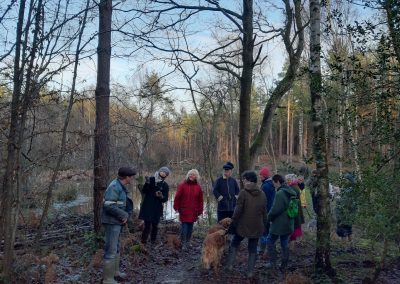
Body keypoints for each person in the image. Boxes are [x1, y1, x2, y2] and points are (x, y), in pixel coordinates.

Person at [227, 170, 268, 278]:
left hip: (243, 225)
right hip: (257, 225)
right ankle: (250, 272)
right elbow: (264, 211)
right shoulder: (262, 193)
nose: (243, 181)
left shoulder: (243, 192)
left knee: (234, 243)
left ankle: (229, 266)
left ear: (249, 180)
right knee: (253, 248)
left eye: (244, 179)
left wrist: (233, 222)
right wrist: (265, 224)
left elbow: (238, 210)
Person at [101, 166, 136, 284]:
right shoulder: (114, 186)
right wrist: (124, 215)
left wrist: (123, 216)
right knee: (111, 250)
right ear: (127, 177)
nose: (132, 179)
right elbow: (108, 205)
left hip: (117, 222)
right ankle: (108, 279)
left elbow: (119, 204)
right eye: (131, 177)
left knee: (116, 248)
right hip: (111, 222)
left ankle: (115, 273)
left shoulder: (120, 186)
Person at [265, 174, 297, 271]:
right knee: (284, 242)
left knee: (270, 240)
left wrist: (268, 218)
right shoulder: (291, 191)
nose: (273, 185)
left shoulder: (280, 193)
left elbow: (275, 210)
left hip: (279, 224)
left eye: (273, 183)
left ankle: (272, 262)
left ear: (277, 181)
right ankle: (284, 263)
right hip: (289, 222)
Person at [138, 166, 170, 244]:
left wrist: (161, 196)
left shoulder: (165, 185)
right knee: (147, 226)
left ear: (166, 175)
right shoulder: (151, 179)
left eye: (165, 173)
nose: (163, 173)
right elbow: (144, 191)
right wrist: (147, 183)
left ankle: (153, 241)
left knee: (155, 226)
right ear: (159, 171)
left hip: (157, 208)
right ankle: (143, 241)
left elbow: (165, 199)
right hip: (148, 206)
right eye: (162, 171)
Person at [173, 169, 204, 249]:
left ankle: (188, 242)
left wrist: (200, 210)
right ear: (188, 175)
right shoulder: (183, 185)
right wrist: (176, 207)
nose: (191, 176)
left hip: (194, 211)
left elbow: (201, 200)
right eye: (190, 174)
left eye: (193, 175)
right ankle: (183, 243)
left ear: (196, 177)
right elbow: (177, 197)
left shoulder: (198, 187)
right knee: (184, 227)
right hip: (184, 210)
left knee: (190, 228)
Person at [335, 173, 356, 248]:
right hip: (349, 214)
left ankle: (344, 247)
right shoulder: (351, 189)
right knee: (349, 229)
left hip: (344, 214)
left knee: (342, 230)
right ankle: (351, 247)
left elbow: (344, 202)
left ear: (349, 181)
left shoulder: (349, 190)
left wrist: (338, 195)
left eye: (345, 179)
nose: (344, 181)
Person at [258, 166, 275, 255]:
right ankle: (266, 250)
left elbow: (262, 201)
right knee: (268, 231)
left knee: (264, 231)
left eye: (260, 175)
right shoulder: (271, 184)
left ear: (264, 176)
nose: (259, 176)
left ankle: (263, 250)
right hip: (270, 211)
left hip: (265, 212)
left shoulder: (265, 186)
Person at [285, 174, 305, 245]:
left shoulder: (293, 188)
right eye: (286, 180)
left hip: (293, 210)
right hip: (296, 210)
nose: (287, 181)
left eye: (288, 180)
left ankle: (292, 246)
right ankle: (294, 243)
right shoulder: (294, 186)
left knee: (294, 227)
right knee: (296, 227)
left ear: (292, 180)